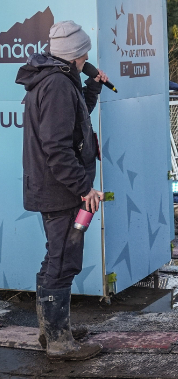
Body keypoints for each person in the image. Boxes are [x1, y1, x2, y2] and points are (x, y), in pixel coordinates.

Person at [15, 21, 106, 361]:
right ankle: (59, 342)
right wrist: (84, 188)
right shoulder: (56, 84)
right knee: (63, 259)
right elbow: (57, 146)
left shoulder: (58, 78)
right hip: (60, 190)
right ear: (74, 54)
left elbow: (73, 123)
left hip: (54, 187)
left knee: (56, 256)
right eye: (84, 54)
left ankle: (52, 330)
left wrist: (92, 90)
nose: (86, 59)